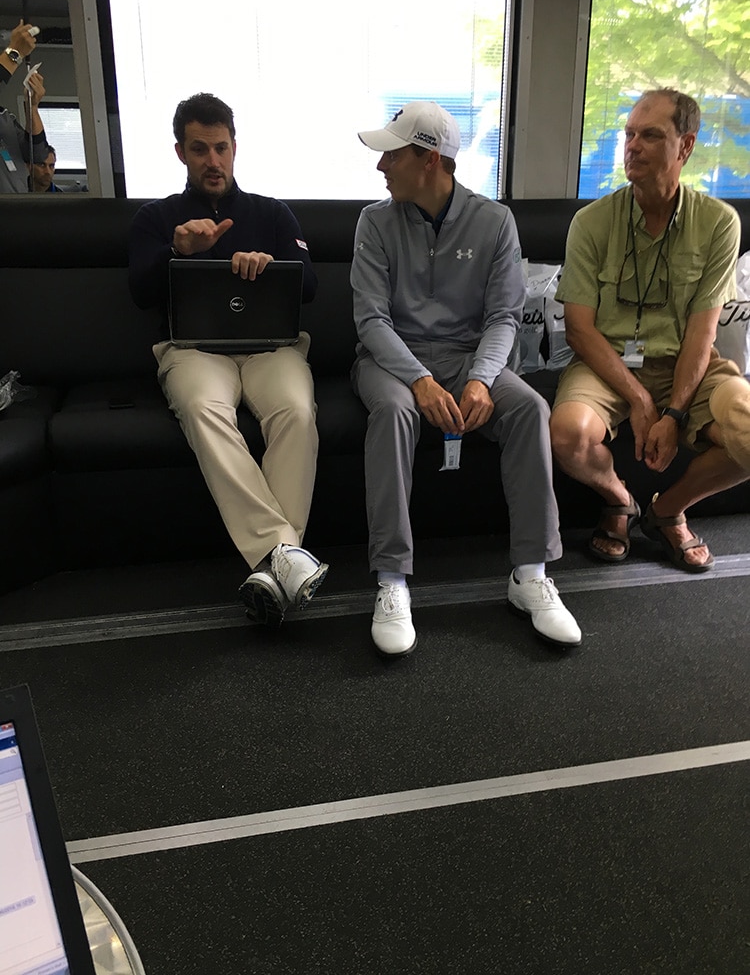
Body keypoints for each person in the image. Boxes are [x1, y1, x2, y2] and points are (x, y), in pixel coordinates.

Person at [351, 101, 582, 656]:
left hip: (467, 356)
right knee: (395, 410)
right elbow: (372, 321)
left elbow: (503, 317)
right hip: (391, 359)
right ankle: (392, 579)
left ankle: (530, 573)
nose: (381, 166)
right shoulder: (374, 221)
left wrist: (481, 379)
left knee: (529, 408)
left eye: (391, 155)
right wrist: (419, 380)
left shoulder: (495, 221)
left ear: (429, 159)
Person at [129, 93, 328, 626]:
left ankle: (273, 566)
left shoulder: (271, 212)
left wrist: (272, 263)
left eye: (221, 148)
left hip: (270, 349)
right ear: (181, 152)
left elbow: (309, 285)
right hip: (194, 351)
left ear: (235, 147)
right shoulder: (157, 219)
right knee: (202, 409)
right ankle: (284, 554)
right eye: (200, 149)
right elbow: (141, 292)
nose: (213, 160)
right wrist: (177, 252)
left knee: (297, 411)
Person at [550, 88, 749, 572]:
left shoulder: (718, 222)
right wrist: (640, 401)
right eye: (629, 134)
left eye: (651, 135)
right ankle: (621, 501)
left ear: (686, 146)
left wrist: (674, 413)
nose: (633, 146)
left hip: (689, 364)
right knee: (568, 434)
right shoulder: (592, 222)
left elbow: (702, 334)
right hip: (608, 363)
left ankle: (668, 510)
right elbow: (579, 330)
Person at [1, 19, 48, 194]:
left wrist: (32, 108)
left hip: (16, 207)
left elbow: (37, 155)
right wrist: (15, 52)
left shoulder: (5, 119)